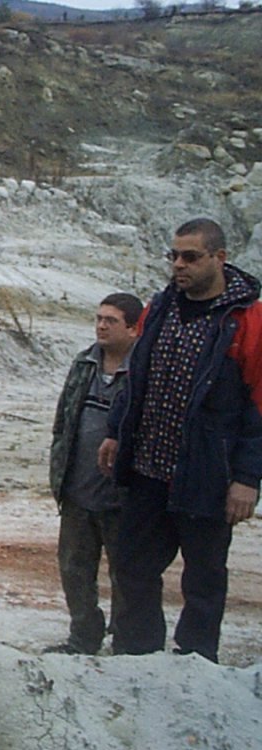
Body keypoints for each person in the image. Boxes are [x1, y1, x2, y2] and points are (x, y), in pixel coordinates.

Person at [99, 218, 262, 663]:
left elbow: (259, 405)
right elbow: (136, 377)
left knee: (204, 579)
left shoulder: (247, 320)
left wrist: (248, 478)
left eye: (190, 257)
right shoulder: (160, 307)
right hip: (149, 467)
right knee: (132, 567)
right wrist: (115, 431)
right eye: (174, 256)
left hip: (208, 473)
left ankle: (195, 664)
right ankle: (137, 656)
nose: (179, 265)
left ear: (219, 258)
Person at [46, 293, 142, 655]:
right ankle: (83, 638)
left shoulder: (144, 370)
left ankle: (126, 644)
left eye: (111, 321)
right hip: (77, 492)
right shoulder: (84, 363)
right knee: (74, 570)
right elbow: (63, 420)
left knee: (127, 575)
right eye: (99, 318)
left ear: (133, 328)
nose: (101, 326)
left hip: (123, 497)